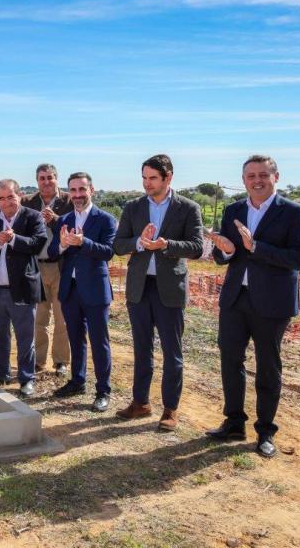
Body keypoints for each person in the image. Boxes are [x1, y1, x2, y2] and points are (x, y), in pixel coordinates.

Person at [206, 155, 300, 458]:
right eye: (251, 176)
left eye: (263, 174)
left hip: (272, 302)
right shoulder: (233, 210)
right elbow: (223, 255)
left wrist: (257, 247)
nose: (257, 180)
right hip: (235, 298)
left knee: (267, 367)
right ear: (243, 181)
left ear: (276, 177)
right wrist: (225, 250)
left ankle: (265, 432)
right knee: (230, 361)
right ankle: (234, 422)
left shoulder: (294, 213)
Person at [113, 155, 204, 430]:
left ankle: (170, 409)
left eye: (152, 178)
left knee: (172, 352)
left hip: (169, 289)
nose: (146, 183)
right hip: (139, 288)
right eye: (144, 177)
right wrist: (139, 243)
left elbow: (197, 247)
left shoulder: (188, 208)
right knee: (142, 348)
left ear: (168, 177)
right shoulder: (133, 207)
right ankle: (140, 403)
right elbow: (118, 245)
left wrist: (167, 245)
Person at [48, 172, 117, 412]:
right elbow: (53, 252)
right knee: (75, 339)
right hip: (70, 290)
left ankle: (103, 390)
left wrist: (82, 242)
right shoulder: (63, 219)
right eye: (73, 190)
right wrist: (63, 244)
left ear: (92, 190)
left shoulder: (106, 220)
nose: (77, 195)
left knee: (100, 342)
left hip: (96, 291)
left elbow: (108, 252)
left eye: (82, 190)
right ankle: (77, 381)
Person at [0, 180, 47, 396]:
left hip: (22, 289)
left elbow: (38, 243)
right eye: (1, 198)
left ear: (19, 195)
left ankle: (26, 378)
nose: (6, 202)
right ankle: (0, 374)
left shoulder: (33, 217)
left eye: (10, 197)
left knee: (25, 337)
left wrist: (14, 239)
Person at [21, 163, 72, 376]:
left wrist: (55, 221)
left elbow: (76, 227)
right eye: (42, 178)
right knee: (38, 318)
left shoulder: (69, 201)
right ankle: (37, 360)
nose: (46, 182)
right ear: (37, 181)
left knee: (62, 317)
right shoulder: (28, 202)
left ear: (57, 179)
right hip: (36, 266)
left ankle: (60, 361)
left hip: (61, 266)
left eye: (50, 177)